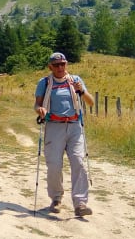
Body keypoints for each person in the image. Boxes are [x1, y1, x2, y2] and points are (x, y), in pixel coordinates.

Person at [33, 52, 94, 217]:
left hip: (75, 126)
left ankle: (80, 203)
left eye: (63, 64)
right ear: (50, 67)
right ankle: (56, 198)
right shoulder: (44, 82)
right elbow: (37, 105)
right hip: (54, 126)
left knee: (79, 162)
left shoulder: (75, 81)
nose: (60, 67)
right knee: (54, 165)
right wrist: (41, 110)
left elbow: (90, 102)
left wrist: (81, 91)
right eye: (57, 65)